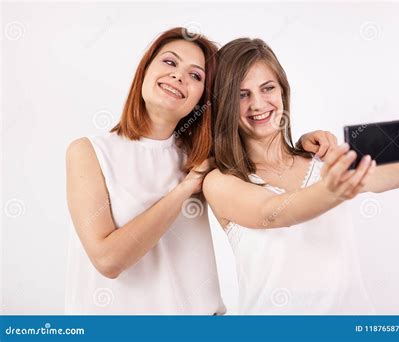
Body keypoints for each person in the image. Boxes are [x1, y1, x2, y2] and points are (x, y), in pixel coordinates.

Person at [65, 28, 331, 314]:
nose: (179, 76)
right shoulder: (89, 152)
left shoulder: (204, 157)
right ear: (144, 69)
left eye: (196, 75)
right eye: (170, 62)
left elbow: (259, 149)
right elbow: (107, 261)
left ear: (203, 98)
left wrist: (301, 146)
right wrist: (183, 190)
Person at [203, 38, 399, 314]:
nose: (257, 104)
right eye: (241, 94)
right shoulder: (220, 182)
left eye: (267, 88)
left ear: (283, 92)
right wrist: (333, 187)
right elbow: (273, 212)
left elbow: (384, 175)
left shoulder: (322, 160)